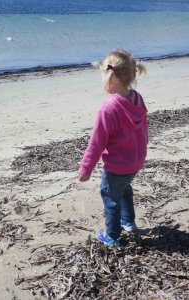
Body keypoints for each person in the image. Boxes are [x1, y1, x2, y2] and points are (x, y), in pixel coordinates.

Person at [78, 49, 148, 246]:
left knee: (110, 197)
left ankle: (113, 236)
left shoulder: (108, 108)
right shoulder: (136, 98)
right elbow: (143, 127)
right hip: (135, 161)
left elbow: (96, 142)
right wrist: (142, 150)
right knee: (125, 188)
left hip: (117, 166)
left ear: (110, 76)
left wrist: (86, 168)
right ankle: (129, 222)